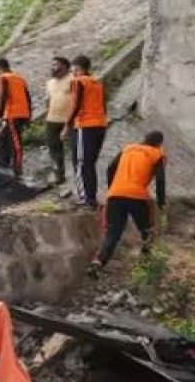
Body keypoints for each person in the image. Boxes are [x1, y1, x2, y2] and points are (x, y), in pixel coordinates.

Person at [88, 131, 166, 277]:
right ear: (159, 144)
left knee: (113, 233)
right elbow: (160, 181)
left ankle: (98, 262)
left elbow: (110, 168)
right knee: (147, 231)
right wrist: (161, 203)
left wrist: (112, 188)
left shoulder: (128, 149)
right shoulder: (157, 154)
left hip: (115, 195)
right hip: (138, 196)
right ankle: (145, 264)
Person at [63, 55, 108, 208]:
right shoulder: (97, 83)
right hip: (99, 125)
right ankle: (91, 197)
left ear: (79, 69)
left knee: (80, 163)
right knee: (89, 164)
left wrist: (67, 125)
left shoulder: (78, 82)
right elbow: (103, 105)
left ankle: (85, 198)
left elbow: (76, 105)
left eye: (73, 70)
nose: (72, 73)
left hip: (84, 125)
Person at [0, 59, 32, 175]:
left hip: (12, 113)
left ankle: (17, 168)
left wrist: (0, 115)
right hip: (23, 112)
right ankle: (4, 162)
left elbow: (3, 96)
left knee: (16, 142)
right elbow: (28, 97)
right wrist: (29, 115)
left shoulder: (2, 78)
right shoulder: (19, 78)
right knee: (4, 136)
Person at [45, 56, 74, 183]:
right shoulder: (50, 82)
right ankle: (59, 175)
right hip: (52, 119)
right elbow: (48, 99)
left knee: (75, 147)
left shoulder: (73, 79)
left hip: (70, 119)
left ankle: (80, 174)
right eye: (52, 65)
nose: (53, 67)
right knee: (54, 148)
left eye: (56, 64)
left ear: (65, 66)